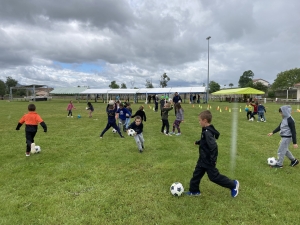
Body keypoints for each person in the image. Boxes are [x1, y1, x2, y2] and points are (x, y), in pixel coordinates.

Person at [185, 110, 239, 197]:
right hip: (202, 158)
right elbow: (204, 141)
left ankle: (233, 184)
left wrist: (213, 160)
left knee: (213, 177)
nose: (199, 122)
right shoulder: (206, 130)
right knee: (197, 174)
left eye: (200, 120)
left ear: (205, 120)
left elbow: (213, 147)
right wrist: (198, 142)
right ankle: (194, 191)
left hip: (208, 160)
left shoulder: (207, 132)